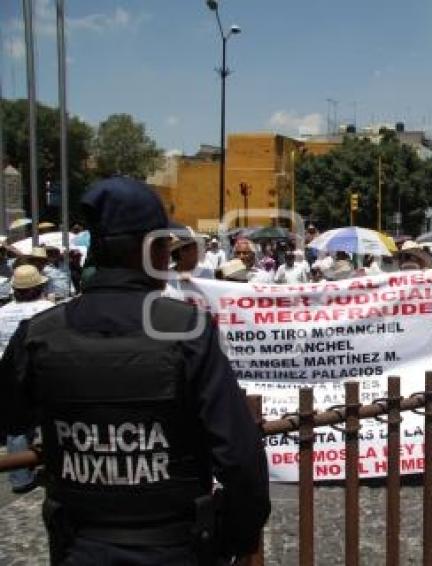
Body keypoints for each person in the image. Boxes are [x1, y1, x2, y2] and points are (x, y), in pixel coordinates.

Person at [0, 177, 270, 564]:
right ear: (153, 251)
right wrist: (235, 539)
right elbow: (240, 460)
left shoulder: (40, 334)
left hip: (79, 546)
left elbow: (11, 416)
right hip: (174, 546)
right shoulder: (187, 332)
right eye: (167, 248)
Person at [1, 265, 54, 494]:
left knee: (17, 426)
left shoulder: (2, 312)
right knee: (48, 420)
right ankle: (53, 465)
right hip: (41, 370)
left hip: (8, 370)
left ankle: (20, 478)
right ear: (39, 286)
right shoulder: (47, 308)